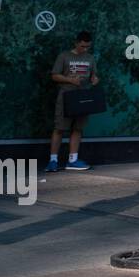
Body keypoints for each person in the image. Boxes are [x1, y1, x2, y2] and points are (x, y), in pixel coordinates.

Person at [48, 31, 100, 172]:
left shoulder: (90, 58)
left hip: (83, 96)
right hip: (66, 95)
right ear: (76, 42)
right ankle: (53, 161)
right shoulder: (64, 56)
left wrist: (95, 79)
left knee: (78, 128)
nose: (85, 49)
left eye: (88, 47)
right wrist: (70, 80)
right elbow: (54, 76)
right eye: (83, 46)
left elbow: (94, 75)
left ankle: (73, 160)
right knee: (59, 128)